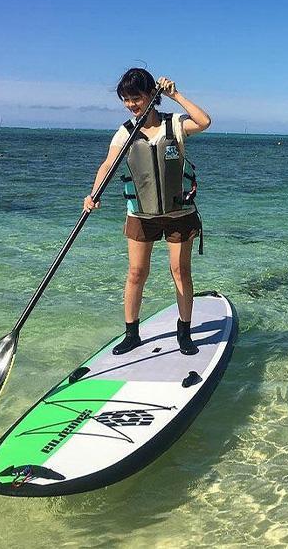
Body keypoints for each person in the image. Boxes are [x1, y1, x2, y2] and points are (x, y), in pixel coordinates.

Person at [84, 68, 211, 355]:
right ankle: (131, 334)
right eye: (126, 99)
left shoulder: (175, 124)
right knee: (136, 273)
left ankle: (185, 332)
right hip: (141, 214)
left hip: (179, 213)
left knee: (180, 271)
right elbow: (108, 164)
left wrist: (175, 95)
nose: (131, 104)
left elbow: (204, 121)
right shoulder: (125, 132)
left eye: (136, 97)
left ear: (151, 95)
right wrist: (93, 193)